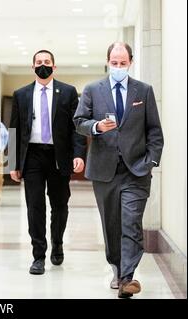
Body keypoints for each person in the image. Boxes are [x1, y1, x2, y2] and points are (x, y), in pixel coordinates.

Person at [74, 42, 164, 298]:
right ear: (107, 62)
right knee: (111, 224)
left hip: (136, 170)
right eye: (114, 63)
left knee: (131, 222)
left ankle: (128, 277)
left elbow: (154, 131)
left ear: (130, 63)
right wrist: (97, 127)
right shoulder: (93, 90)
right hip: (104, 171)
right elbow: (79, 122)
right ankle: (116, 266)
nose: (118, 67)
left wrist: (152, 162)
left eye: (123, 63)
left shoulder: (143, 91)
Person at [9, 50, 87, 275]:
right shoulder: (21, 94)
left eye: (47, 62)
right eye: (39, 62)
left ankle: (58, 243)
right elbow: (14, 129)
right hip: (32, 156)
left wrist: (79, 154)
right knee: (34, 206)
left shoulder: (68, 92)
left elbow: (77, 127)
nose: (43, 65)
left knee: (60, 205)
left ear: (54, 66)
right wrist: (14, 163)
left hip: (58, 156)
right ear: (32, 67)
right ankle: (38, 256)